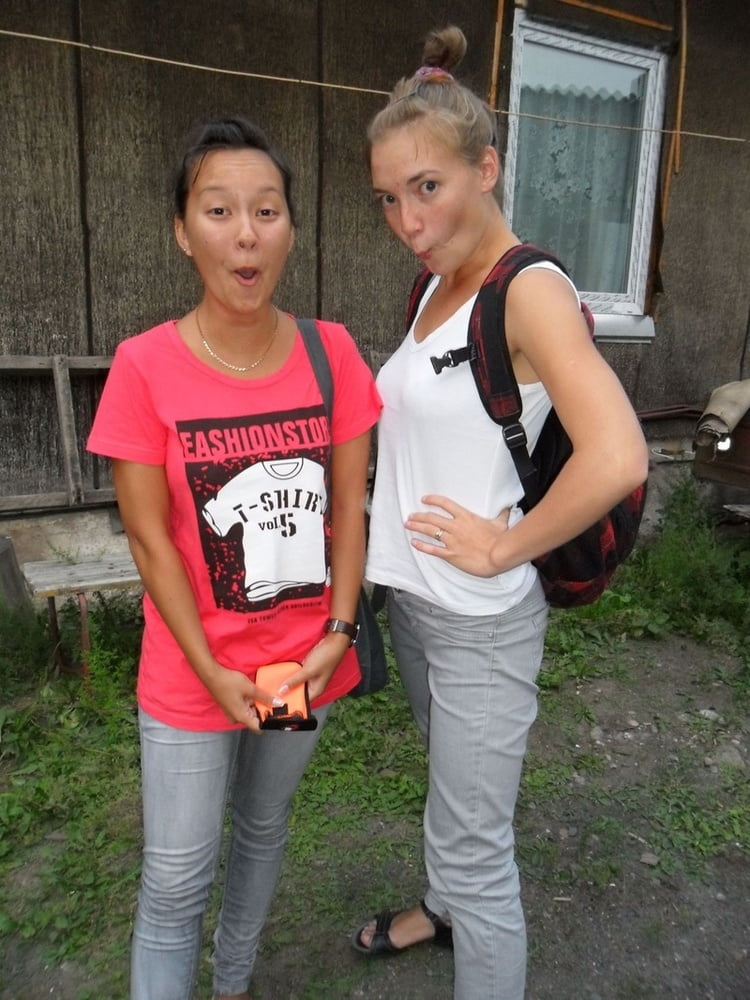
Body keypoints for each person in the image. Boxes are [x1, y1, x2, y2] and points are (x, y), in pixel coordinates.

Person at [352, 26, 648, 1000]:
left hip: (479, 622)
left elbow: (619, 454)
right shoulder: (437, 283)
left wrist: (504, 546)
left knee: (478, 851)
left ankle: (462, 907)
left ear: (486, 169)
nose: (406, 218)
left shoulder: (529, 290)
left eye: (426, 187)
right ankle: (440, 910)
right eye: (388, 197)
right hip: (418, 604)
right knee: (455, 802)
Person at [87, 116, 381, 1000]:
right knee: (177, 875)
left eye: (266, 210)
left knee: (260, 829)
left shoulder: (333, 354)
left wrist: (337, 632)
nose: (246, 233)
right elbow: (150, 541)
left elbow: (349, 509)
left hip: (299, 665)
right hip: (192, 676)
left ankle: (235, 982)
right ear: (184, 231)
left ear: (290, 228)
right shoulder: (144, 367)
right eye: (219, 210)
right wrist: (214, 672)